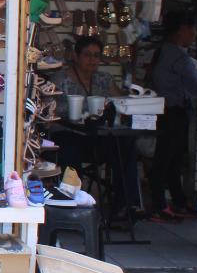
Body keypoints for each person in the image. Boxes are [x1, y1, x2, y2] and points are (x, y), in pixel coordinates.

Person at [51, 37, 142, 219]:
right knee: (69, 149)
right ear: (76, 56)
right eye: (87, 55)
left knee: (125, 147)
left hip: (97, 137)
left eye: (96, 56)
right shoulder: (60, 79)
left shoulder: (104, 79)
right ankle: (70, 205)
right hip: (68, 134)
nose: (92, 60)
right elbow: (48, 112)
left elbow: (121, 104)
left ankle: (126, 206)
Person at [147, 11, 197, 221]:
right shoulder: (178, 56)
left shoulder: (164, 52)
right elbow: (196, 88)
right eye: (192, 30)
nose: (194, 34)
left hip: (167, 110)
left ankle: (177, 202)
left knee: (171, 160)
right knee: (166, 160)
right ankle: (159, 205)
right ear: (182, 29)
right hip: (172, 112)